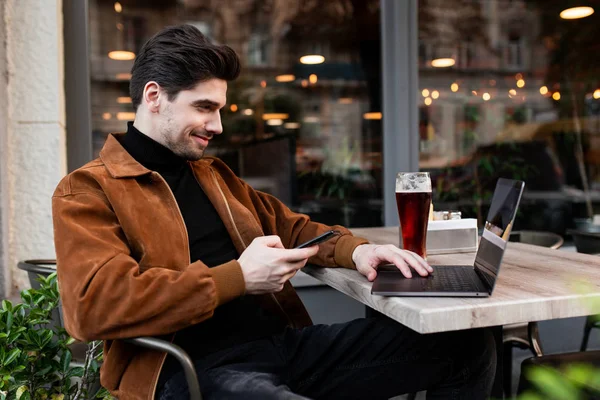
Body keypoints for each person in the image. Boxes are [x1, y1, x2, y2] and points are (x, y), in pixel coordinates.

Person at [52, 24, 496, 400]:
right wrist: (238, 278)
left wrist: (357, 251)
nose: (218, 125)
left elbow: (293, 226)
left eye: (220, 109)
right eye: (204, 107)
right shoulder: (89, 189)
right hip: (190, 370)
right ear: (154, 96)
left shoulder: (213, 175)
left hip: (280, 345)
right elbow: (93, 307)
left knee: (466, 343)